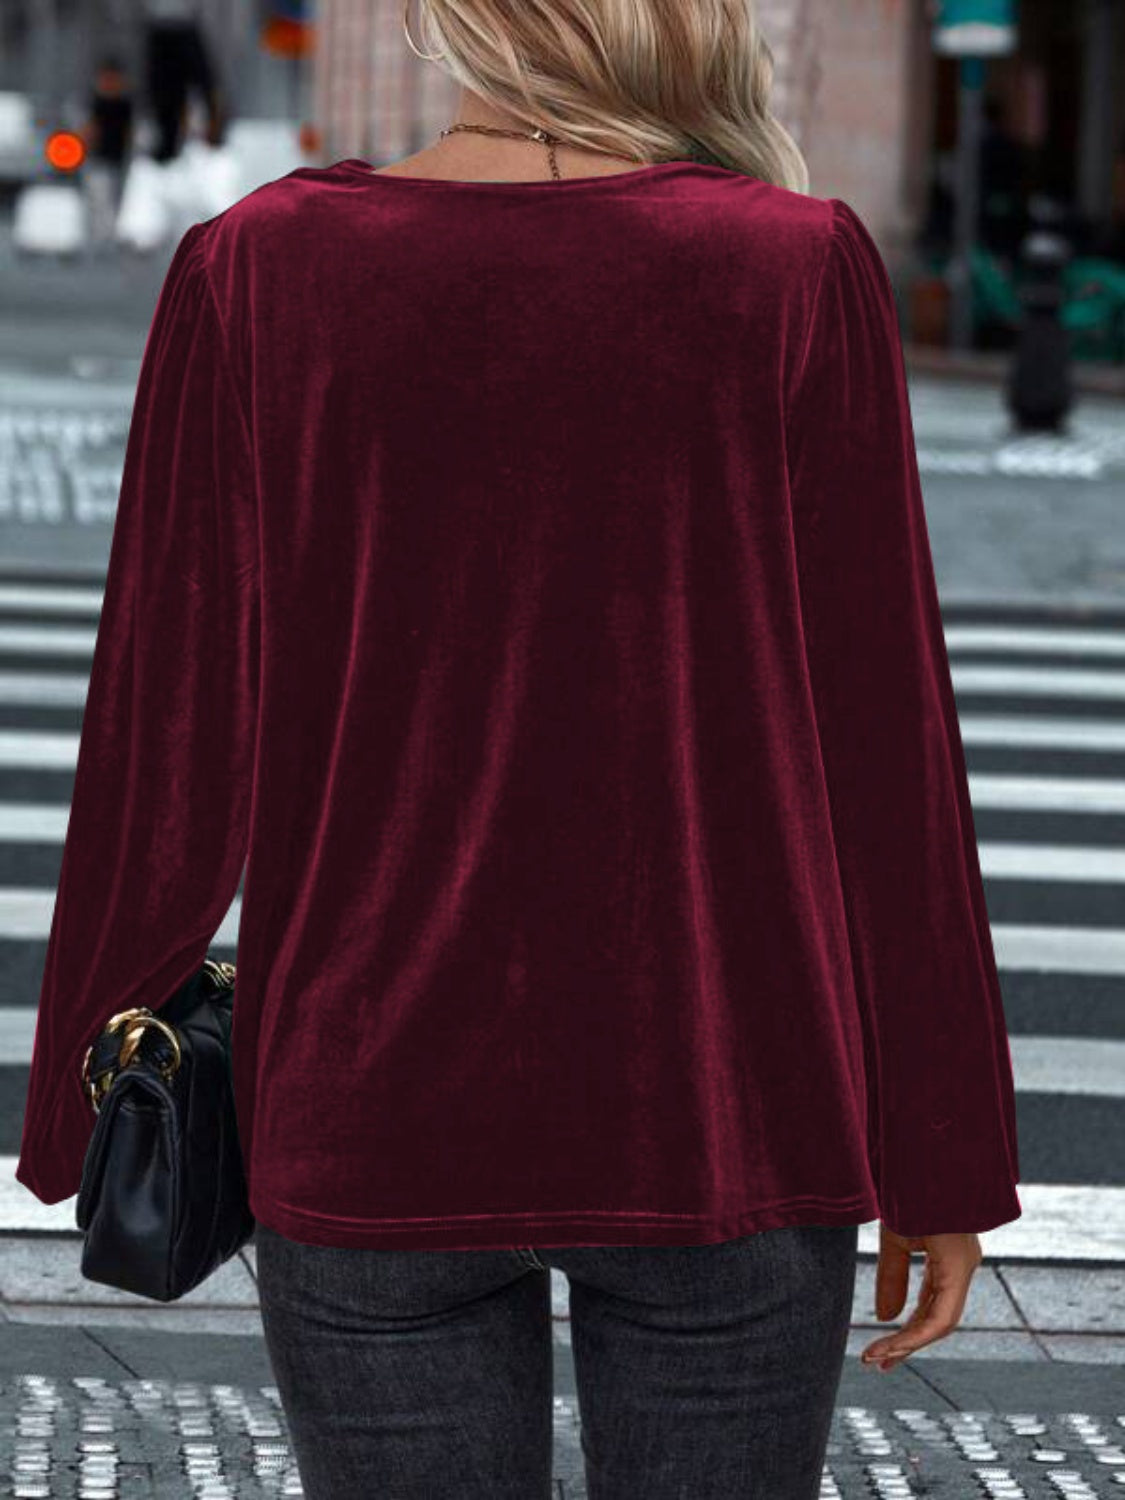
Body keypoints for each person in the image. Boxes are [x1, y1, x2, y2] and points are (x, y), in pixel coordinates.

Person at [14, 0, 1022, 1495]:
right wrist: (941, 1150)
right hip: (724, 1110)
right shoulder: (793, 269)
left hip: (368, 1107)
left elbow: (160, 734)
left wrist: (74, 1116)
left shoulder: (257, 273)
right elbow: (890, 758)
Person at [81, 52, 135, 250]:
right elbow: (90, 128)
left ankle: (108, 236)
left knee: (113, 199)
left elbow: (130, 132)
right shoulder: (97, 101)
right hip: (98, 159)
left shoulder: (124, 103)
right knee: (99, 198)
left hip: (118, 159)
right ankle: (100, 237)